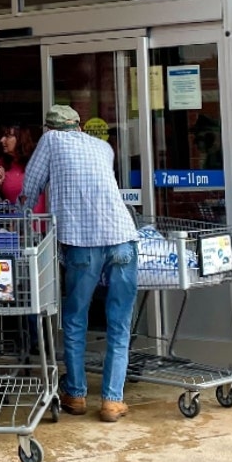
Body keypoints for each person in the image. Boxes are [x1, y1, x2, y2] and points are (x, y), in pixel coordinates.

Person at [20, 104, 139, 423]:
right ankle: (113, 401)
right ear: (80, 126)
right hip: (122, 237)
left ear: (48, 129)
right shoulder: (103, 146)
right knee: (119, 321)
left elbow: (30, 186)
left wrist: (21, 218)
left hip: (82, 242)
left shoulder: (51, 141)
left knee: (75, 317)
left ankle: (75, 393)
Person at [0, 123, 46, 213]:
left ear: (20, 139)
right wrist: (0, 185)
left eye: (7, 136)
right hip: (16, 221)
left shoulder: (36, 161)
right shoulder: (3, 163)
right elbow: (7, 199)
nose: (2, 140)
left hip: (38, 221)